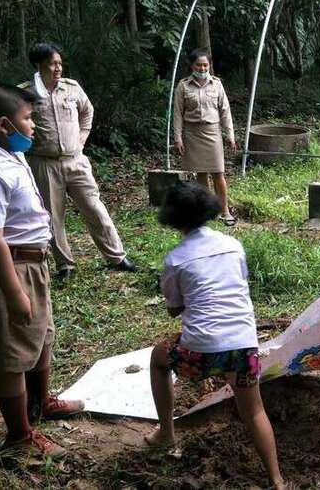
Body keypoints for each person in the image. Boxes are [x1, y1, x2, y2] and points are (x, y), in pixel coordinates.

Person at [0, 85, 85, 459]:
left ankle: (41, 402)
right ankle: (19, 437)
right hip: (7, 268)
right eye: (28, 119)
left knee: (40, 335)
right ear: (3, 125)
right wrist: (13, 293)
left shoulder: (11, 155)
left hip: (32, 262)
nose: (33, 126)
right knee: (13, 353)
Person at [147, 181, 284, 489]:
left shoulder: (176, 259)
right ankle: (277, 480)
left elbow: (174, 309)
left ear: (172, 217)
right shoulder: (233, 245)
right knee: (254, 410)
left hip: (201, 351)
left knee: (158, 358)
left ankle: (166, 432)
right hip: (243, 345)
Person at [19, 42, 136, 280]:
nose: (58, 68)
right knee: (52, 216)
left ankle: (116, 256)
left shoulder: (71, 88)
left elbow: (87, 111)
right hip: (45, 163)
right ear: (39, 65)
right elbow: (17, 122)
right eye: (52, 64)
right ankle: (65, 265)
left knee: (94, 208)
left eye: (60, 63)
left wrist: (82, 137)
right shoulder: (25, 93)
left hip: (76, 161)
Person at [173, 48, 237, 226]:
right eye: (198, 65)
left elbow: (225, 111)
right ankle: (208, 210)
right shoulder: (183, 86)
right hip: (192, 134)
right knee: (201, 173)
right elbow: (177, 113)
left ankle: (224, 210)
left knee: (218, 173)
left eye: (205, 65)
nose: (202, 68)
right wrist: (178, 138)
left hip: (212, 132)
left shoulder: (216, 84)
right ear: (192, 65)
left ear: (209, 65)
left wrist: (230, 135)